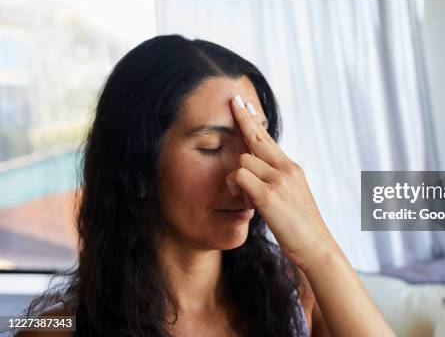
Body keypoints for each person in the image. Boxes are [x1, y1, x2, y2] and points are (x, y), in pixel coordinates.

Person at [19, 35, 395, 336]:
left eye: (257, 142)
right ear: (137, 170)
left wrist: (318, 248)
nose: (246, 176)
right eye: (212, 147)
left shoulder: (297, 297)